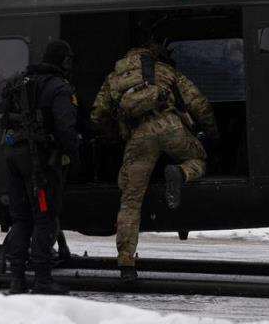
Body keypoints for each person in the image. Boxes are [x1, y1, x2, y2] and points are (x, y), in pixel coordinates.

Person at [90, 42, 219, 281]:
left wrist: (115, 136)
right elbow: (198, 103)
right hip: (172, 128)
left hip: (139, 137)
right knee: (198, 159)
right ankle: (181, 173)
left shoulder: (114, 78)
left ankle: (127, 264)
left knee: (131, 201)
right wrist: (212, 132)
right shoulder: (165, 71)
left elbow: (98, 115)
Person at [2, 39, 79, 295]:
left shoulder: (22, 81)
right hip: (38, 161)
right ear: (63, 60)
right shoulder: (59, 87)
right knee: (45, 217)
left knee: (20, 218)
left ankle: (17, 280)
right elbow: (66, 127)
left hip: (13, 154)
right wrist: (73, 157)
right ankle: (43, 280)